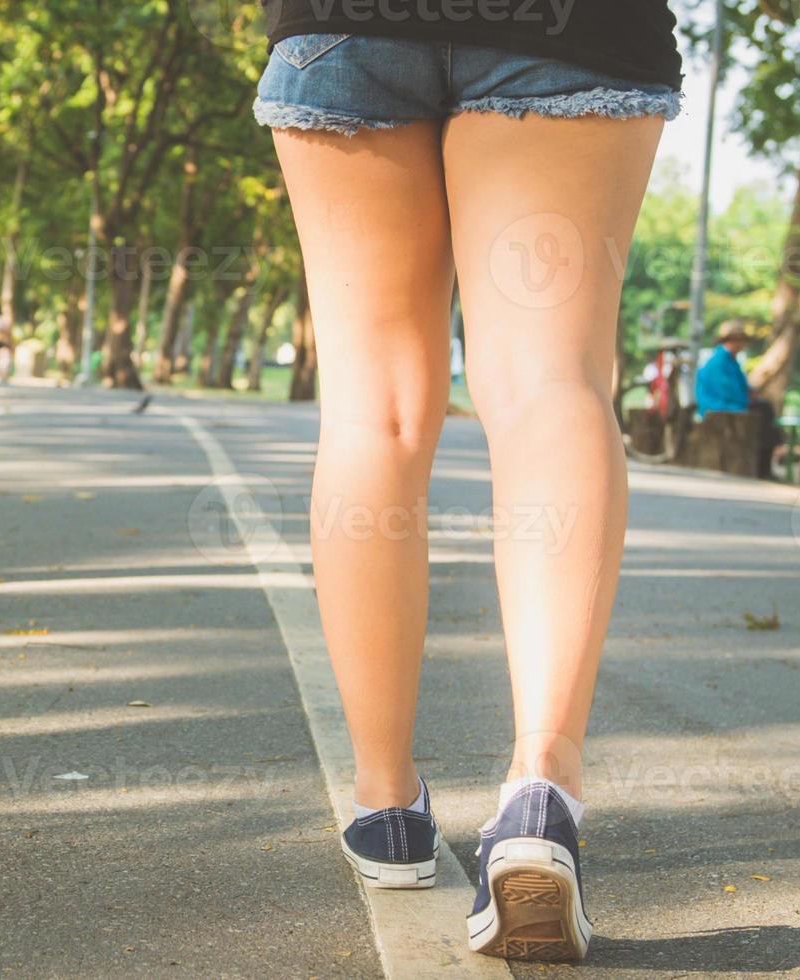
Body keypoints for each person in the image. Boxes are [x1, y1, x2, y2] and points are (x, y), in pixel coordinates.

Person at [258, 2, 678, 962]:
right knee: (550, 383)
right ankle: (541, 790)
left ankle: (386, 808)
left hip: (344, 26)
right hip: (574, 29)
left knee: (376, 411)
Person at [694, 328, 752, 419]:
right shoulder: (720, 361)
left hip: (727, 404)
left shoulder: (731, 361)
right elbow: (726, 391)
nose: (743, 346)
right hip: (717, 406)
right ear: (733, 341)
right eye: (741, 342)